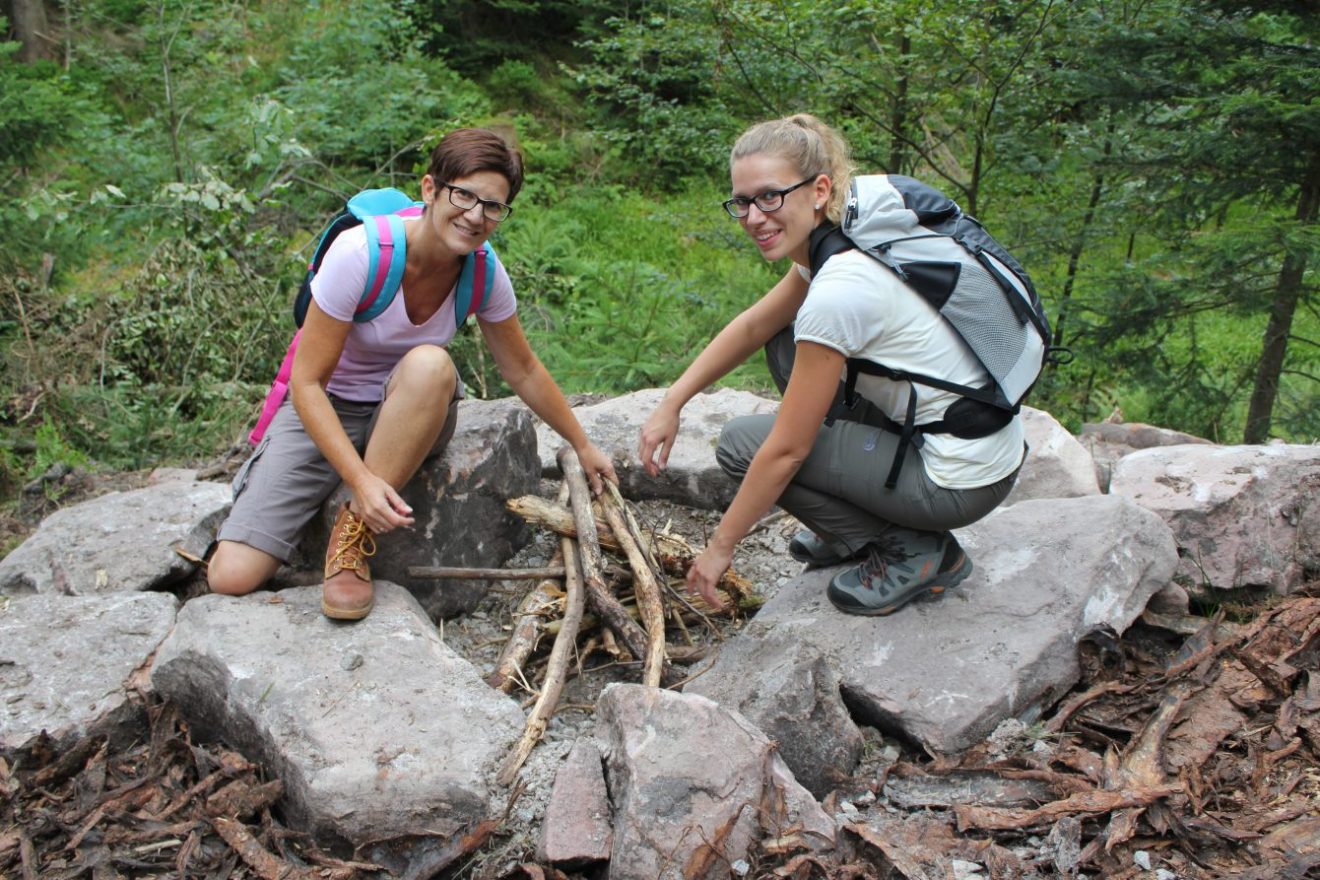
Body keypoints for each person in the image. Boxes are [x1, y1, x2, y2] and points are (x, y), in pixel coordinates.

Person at [209, 127, 616, 620]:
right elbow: (307, 381)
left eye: (492, 206)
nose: (474, 216)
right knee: (230, 576)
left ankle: (352, 536)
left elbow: (523, 369)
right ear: (430, 189)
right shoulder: (362, 254)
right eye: (463, 195)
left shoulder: (484, 273)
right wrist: (358, 477)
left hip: (411, 406)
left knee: (431, 363)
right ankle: (339, 499)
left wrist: (583, 444)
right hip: (327, 403)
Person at [637, 114, 1023, 617]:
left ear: (819, 190)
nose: (754, 217)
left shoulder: (839, 290)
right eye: (742, 202)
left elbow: (786, 452)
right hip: (971, 443)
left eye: (770, 197)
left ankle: (916, 550)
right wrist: (673, 401)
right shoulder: (843, 239)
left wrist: (720, 548)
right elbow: (755, 325)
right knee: (781, 338)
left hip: (955, 481)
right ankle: (852, 525)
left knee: (742, 446)